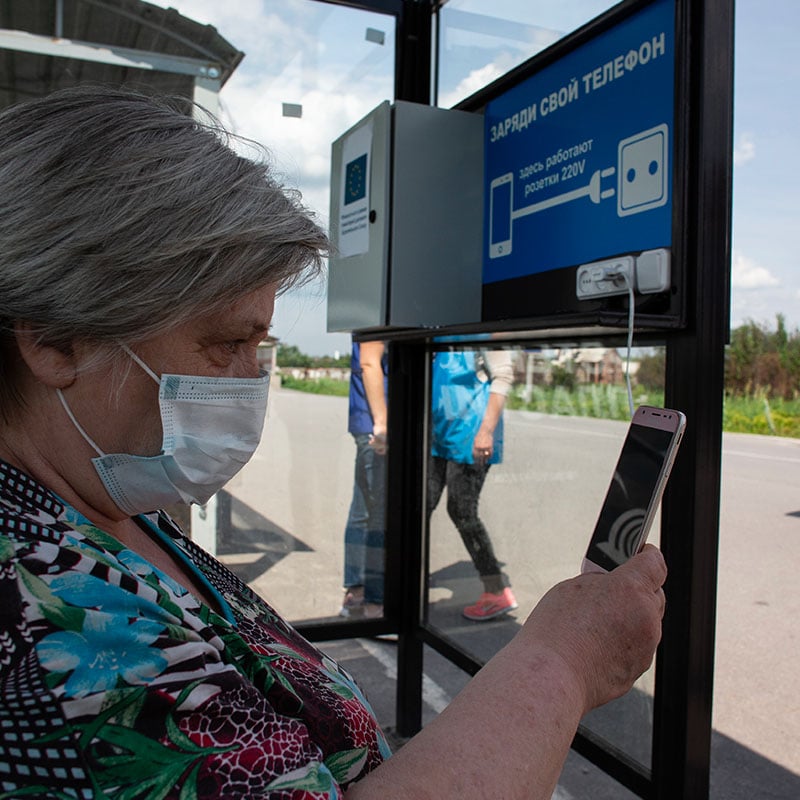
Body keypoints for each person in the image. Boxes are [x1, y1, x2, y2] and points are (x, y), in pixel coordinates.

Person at [0, 85, 667, 799]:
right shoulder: (48, 622)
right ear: (55, 339)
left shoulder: (106, 503)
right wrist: (558, 665)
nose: (251, 381)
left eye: (261, 343)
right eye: (226, 343)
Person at [427, 348, 518, 620]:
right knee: (421, 505)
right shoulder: (440, 328)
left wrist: (486, 431)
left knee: (462, 510)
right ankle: (405, 584)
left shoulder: (483, 330)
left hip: (471, 436)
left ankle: (496, 591)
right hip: (440, 437)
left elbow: (503, 377)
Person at [340, 338, 388, 618]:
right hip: (378, 426)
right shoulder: (378, 306)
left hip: (366, 421)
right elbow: (370, 362)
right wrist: (382, 424)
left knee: (362, 510)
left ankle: (356, 593)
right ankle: (375, 602)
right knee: (379, 514)